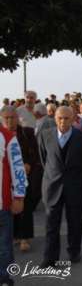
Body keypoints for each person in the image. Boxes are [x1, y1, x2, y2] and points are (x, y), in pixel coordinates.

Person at [38, 106, 82, 267]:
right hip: (52, 186)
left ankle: (74, 251)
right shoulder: (45, 135)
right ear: (55, 118)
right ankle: (50, 257)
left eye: (66, 118)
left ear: (73, 119)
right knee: (51, 224)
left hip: (75, 186)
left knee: (75, 221)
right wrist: (53, 176)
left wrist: (77, 179)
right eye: (59, 118)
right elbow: (44, 160)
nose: (62, 121)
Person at [1, 106, 40, 252]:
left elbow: (36, 152)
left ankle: (24, 237)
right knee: (8, 208)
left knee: (25, 207)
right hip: (4, 178)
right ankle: (14, 235)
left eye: (13, 117)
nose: (10, 120)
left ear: (18, 118)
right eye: (7, 118)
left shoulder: (27, 132)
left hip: (24, 176)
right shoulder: (1, 135)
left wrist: (28, 164)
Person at [0, 121, 27, 286]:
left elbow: (18, 168)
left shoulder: (7, 136)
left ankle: (4, 279)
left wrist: (19, 196)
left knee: (4, 248)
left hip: (2, 206)